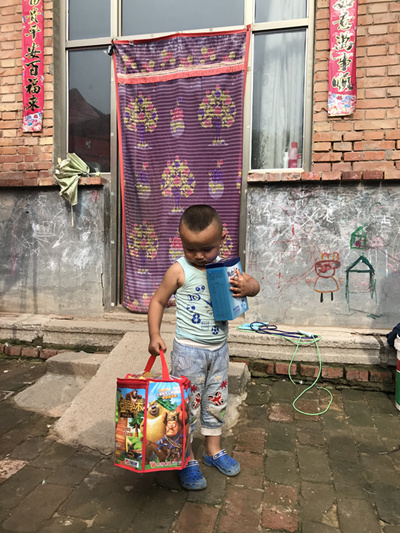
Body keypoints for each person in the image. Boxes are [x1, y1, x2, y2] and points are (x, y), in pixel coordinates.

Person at [148, 204, 260, 490]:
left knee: (215, 401)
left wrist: (247, 287)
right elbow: (158, 301)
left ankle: (213, 451)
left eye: (207, 249)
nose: (198, 255)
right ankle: (185, 457)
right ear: (180, 241)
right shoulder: (178, 270)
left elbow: (253, 284)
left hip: (219, 350)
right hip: (188, 352)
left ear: (222, 238)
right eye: (190, 249)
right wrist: (154, 335)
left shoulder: (226, 270)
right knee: (186, 406)